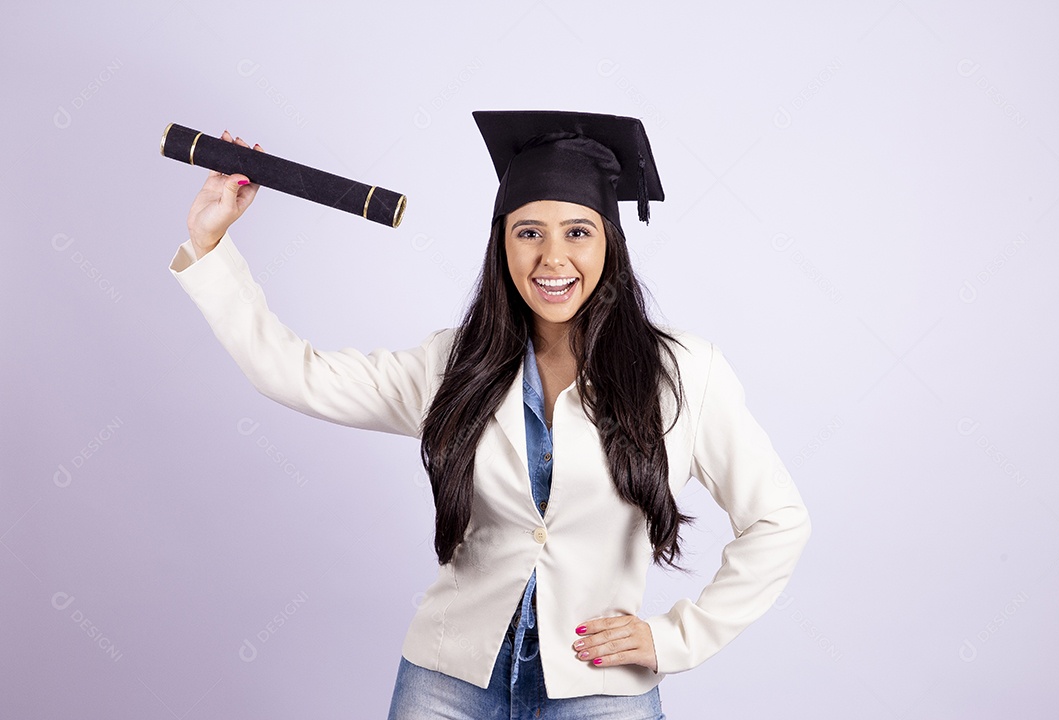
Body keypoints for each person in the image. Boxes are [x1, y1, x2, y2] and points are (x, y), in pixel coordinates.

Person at [170, 111, 812, 719]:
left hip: (599, 687)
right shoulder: (455, 365)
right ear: (502, 245)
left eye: (578, 233)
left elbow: (778, 520)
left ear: (609, 245)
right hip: (447, 682)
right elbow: (295, 374)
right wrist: (210, 241)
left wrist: (675, 639)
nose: (553, 259)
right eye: (529, 232)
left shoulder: (682, 373)